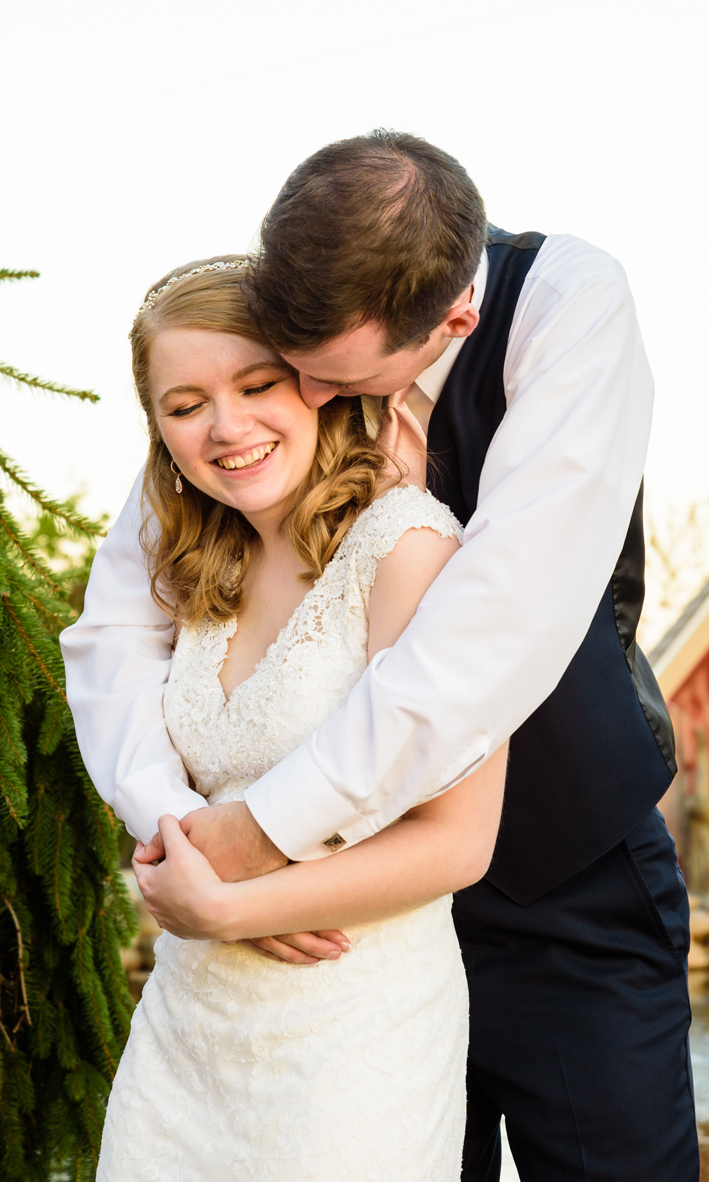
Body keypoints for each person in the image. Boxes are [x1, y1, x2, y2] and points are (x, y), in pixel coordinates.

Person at [64, 131, 696, 1180]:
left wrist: (262, 841)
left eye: (321, 380)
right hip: (316, 957)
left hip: (556, 875)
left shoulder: (566, 310)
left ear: (452, 320)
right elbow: (120, 617)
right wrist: (174, 828)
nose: (299, 401)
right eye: (284, 367)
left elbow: (492, 630)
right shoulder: (291, 334)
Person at [90, 257, 507, 1178]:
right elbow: (130, 726)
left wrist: (232, 906)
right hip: (183, 1041)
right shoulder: (194, 565)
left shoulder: (409, 547)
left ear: (318, 385)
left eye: (257, 384)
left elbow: (457, 842)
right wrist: (201, 889)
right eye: (185, 403)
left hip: (353, 1042)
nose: (226, 426)